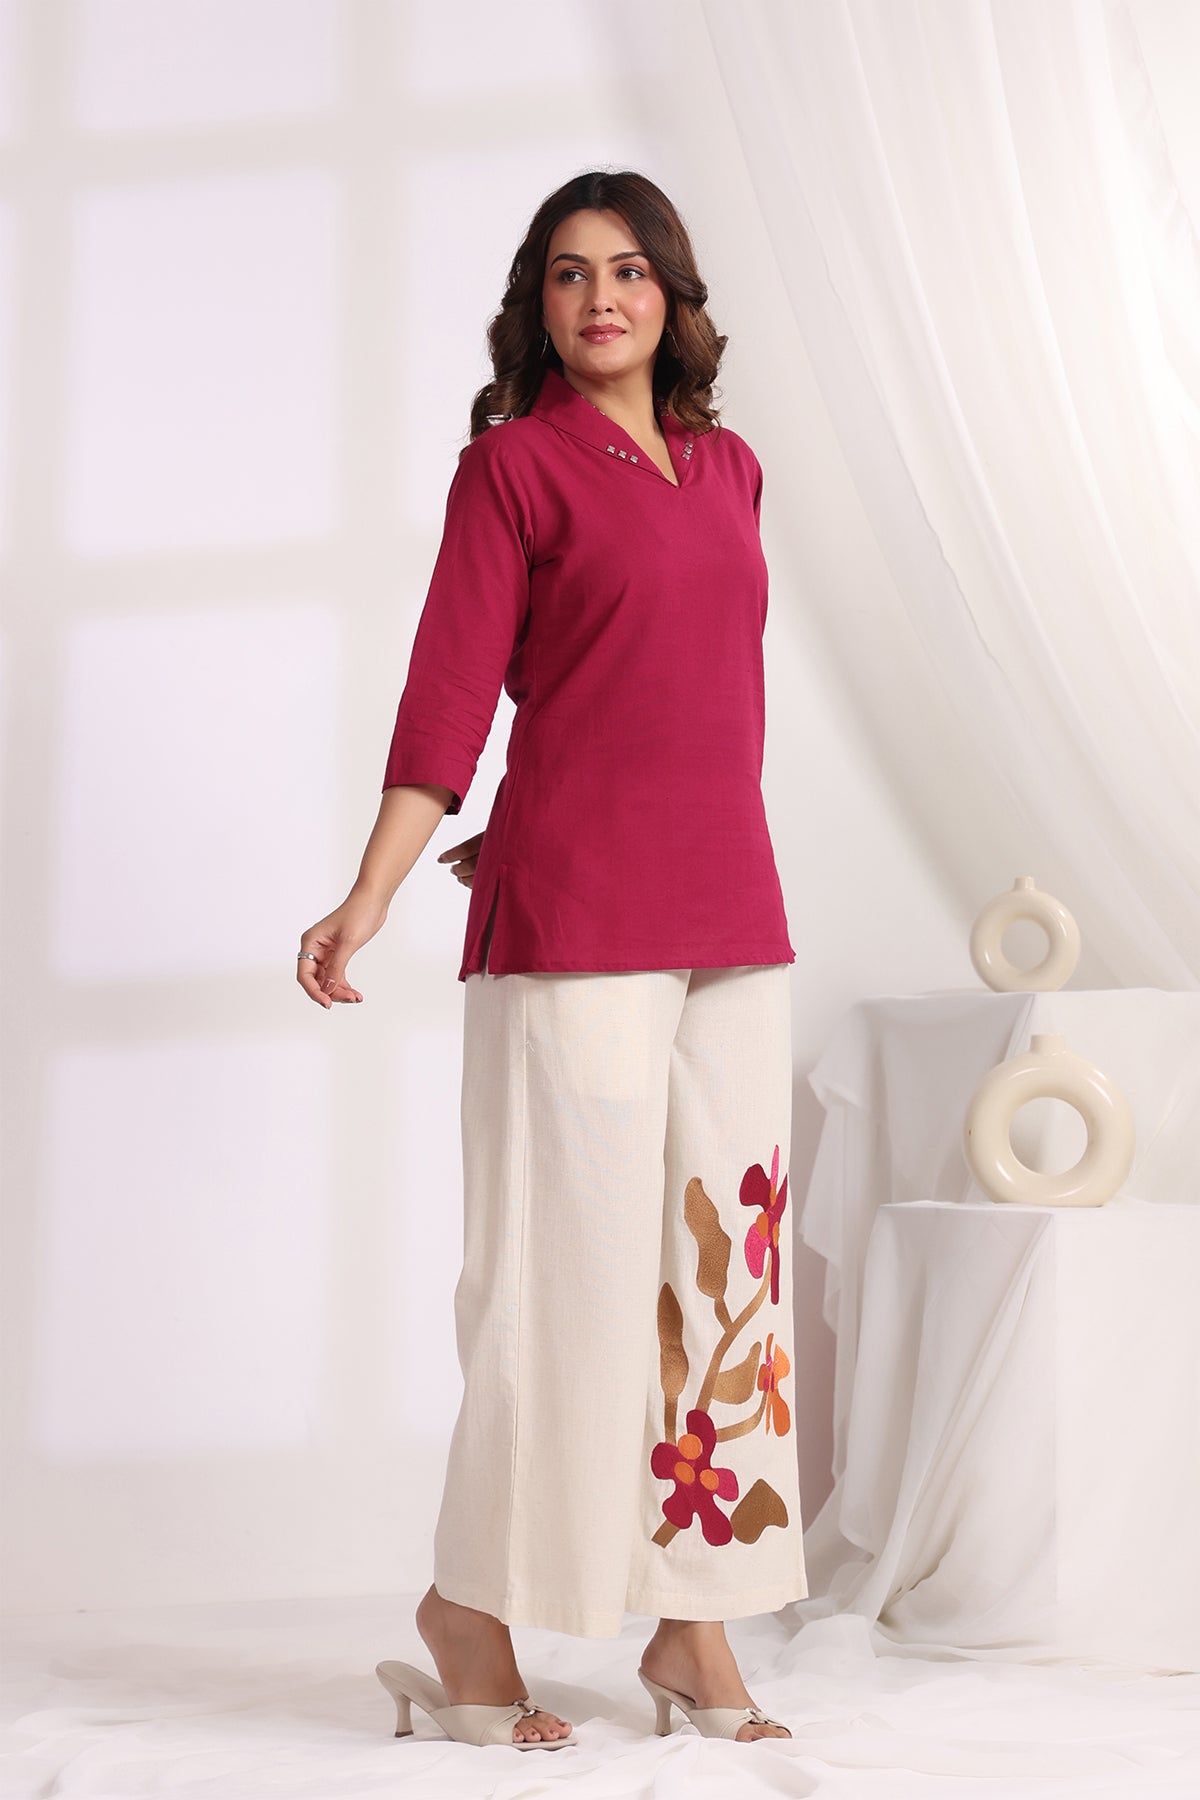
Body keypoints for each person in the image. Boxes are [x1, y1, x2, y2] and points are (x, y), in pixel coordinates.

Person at [297, 169, 807, 1751]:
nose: (602, 297)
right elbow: (451, 697)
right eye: (571, 274)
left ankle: (694, 1628)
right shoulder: (510, 470)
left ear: (673, 296)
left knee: (727, 1278)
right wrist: (374, 891)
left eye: (630, 269)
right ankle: (472, 1611)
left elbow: (687, 691)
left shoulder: (730, 469)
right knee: (558, 1284)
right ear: (539, 303)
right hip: (576, 925)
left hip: (733, 914)